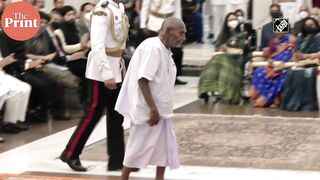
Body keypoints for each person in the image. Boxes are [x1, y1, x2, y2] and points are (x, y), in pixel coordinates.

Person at [60, 0, 129, 172]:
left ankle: (116, 159)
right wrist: (107, 74)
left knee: (116, 114)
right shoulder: (101, 10)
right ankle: (70, 153)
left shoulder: (119, 7)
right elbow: (97, 46)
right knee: (93, 113)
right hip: (101, 70)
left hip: (116, 66)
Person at [115, 17, 185, 180]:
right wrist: (153, 109)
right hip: (148, 110)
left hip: (161, 109)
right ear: (168, 31)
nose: (183, 38)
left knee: (164, 149)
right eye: (181, 33)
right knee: (137, 150)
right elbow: (143, 79)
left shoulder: (163, 48)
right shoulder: (153, 48)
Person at [198, 12, 250, 104]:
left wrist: (228, 49)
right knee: (212, 65)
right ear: (226, 22)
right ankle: (204, 90)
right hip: (220, 58)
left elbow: (241, 50)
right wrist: (220, 48)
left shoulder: (241, 35)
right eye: (230, 20)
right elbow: (216, 48)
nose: (233, 21)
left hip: (235, 60)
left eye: (234, 19)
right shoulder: (222, 35)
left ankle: (229, 93)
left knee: (220, 61)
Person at [139, 0, 187, 85]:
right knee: (156, 52)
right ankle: (154, 75)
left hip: (170, 22)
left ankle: (174, 77)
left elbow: (177, 8)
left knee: (176, 51)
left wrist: (179, 26)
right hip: (154, 23)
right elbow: (145, 6)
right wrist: (143, 24)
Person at [280, 17, 320, 111]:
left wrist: (306, 56)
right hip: (300, 63)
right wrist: (296, 56)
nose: (310, 27)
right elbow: (296, 52)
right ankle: (292, 103)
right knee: (291, 73)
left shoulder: (318, 37)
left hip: (315, 64)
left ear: (316, 25)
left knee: (305, 74)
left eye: (312, 25)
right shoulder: (301, 37)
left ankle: (307, 104)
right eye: (307, 25)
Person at [250, 33, 296, 107]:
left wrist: (288, 62)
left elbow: (295, 54)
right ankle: (257, 97)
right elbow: (270, 56)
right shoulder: (273, 42)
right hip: (273, 64)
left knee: (280, 75)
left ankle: (270, 100)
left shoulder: (291, 39)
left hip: (286, 65)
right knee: (259, 71)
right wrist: (269, 60)